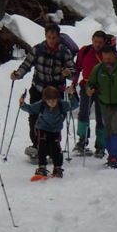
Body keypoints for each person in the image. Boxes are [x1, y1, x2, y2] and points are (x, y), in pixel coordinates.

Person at [10, 23, 76, 154]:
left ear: (58, 37)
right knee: (34, 117)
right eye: (49, 37)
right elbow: (27, 64)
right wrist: (17, 74)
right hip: (38, 89)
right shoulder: (37, 49)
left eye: (54, 37)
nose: (51, 40)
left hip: (55, 92)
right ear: (45, 36)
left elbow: (73, 72)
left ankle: (52, 145)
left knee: (54, 118)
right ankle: (36, 144)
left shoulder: (64, 52)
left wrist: (68, 73)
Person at [85, 45, 117, 168]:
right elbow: (90, 83)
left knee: (116, 128)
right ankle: (111, 154)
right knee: (107, 130)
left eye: (109, 58)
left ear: (115, 56)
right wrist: (89, 89)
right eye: (105, 58)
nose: (107, 61)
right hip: (104, 105)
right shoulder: (98, 69)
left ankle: (115, 155)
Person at [19, 86, 79, 178]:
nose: (52, 103)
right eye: (49, 101)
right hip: (43, 128)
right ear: (45, 100)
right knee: (42, 147)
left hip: (56, 130)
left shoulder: (61, 104)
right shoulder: (41, 104)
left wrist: (71, 95)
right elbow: (30, 109)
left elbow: (74, 105)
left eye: (54, 101)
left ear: (57, 99)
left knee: (56, 148)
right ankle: (42, 167)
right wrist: (22, 104)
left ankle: (57, 167)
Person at [72, 30, 107, 157]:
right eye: (96, 41)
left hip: (102, 89)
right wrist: (73, 83)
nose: (97, 44)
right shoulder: (85, 51)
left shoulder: (108, 54)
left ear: (104, 42)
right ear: (92, 40)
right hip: (86, 86)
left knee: (101, 117)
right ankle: (82, 139)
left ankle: (101, 145)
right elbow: (77, 68)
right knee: (83, 113)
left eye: (100, 42)